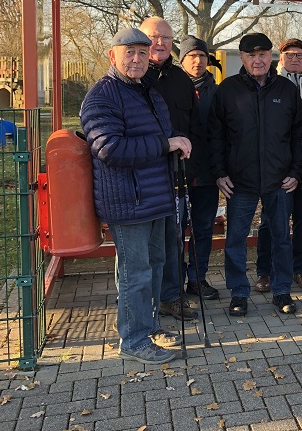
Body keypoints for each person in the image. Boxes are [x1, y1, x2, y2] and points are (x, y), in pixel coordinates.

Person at [80, 27, 191, 364]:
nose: (137, 58)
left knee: (156, 265)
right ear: (112, 55)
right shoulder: (102, 96)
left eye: (143, 52)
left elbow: (161, 136)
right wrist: (165, 144)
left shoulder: (149, 92)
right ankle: (133, 339)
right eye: (129, 51)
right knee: (135, 271)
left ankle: (149, 325)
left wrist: (175, 142)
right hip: (127, 200)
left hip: (157, 195)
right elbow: (108, 148)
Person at [208, 32, 302, 317]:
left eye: (263, 55)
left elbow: (299, 136)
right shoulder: (227, 90)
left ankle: (282, 291)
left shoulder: (287, 91)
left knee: (281, 238)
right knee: (235, 240)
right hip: (240, 181)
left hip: (279, 180)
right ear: (243, 58)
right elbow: (216, 136)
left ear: (271, 57)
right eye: (251, 56)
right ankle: (238, 293)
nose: (257, 60)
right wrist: (219, 172)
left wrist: (297, 171)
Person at [140, 16, 199, 323]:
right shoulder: (132, 77)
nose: (159, 42)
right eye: (153, 36)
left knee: (174, 239)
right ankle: (141, 303)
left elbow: (195, 127)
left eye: (165, 37)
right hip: (143, 177)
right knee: (143, 246)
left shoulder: (181, 80)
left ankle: (171, 297)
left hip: (177, 175)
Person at [254, 38, 302, 293]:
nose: (294, 58)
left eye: (300, 55)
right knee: (270, 221)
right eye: (289, 54)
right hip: (276, 167)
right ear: (280, 58)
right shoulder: (269, 84)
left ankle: (300, 269)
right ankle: (265, 271)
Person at [177, 36, 221, 301]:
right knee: (174, 230)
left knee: (203, 229)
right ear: (182, 60)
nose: (198, 61)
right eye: (192, 56)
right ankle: (173, 281)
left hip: (207, 173)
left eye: (202, 56)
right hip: (176, 173)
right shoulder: (170, 88)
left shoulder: (218, 92)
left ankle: (197, 278)